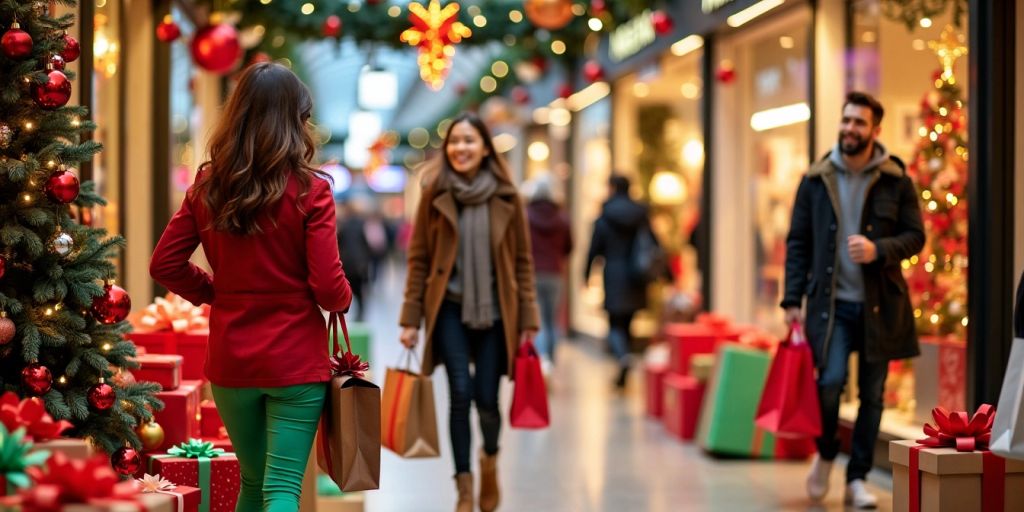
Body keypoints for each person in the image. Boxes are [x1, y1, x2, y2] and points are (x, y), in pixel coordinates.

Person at [150, 62, 352, 512]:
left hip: (232, 357)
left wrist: (215, 292)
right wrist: (343, 296)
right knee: (281, 487)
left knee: (253, 480)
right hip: (296, 359)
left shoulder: (208, 186)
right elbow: (327, 286)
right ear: (295, 121)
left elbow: (164, 263)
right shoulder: (311, 190)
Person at [781, 91, 924, 509]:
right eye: (846, 121)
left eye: (859, 123)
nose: (849, 129)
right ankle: (827, 453)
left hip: (882, 306)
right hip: (831, 308)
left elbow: (916, 236)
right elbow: (797, 243)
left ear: (875, 130)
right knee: (828, 384)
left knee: (874, 395)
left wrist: (879, 249)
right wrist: (792, 299)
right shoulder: (815, 179)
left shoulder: (896, 179)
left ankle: (857, 477)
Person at [398, 112, 539, 512]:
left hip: (497, 313)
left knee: (488, 400)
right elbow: (419, 258)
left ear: (485, 148)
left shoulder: (508, 196)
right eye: (455, 141)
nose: (461, 148)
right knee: (460, 394)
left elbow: (523, 262)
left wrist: (529, 318)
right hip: (449, 309)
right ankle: (463, 486)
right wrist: (410, 318)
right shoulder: (435, 192)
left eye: (469, 141)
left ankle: (489, 462)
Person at [584, 174, 660, 389]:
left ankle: (622, 356)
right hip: (637, 274)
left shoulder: (605, 215)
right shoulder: (641, 214)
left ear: (612, 188)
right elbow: (655, 243)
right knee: (628, 321)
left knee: (615, 322)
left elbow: (594, 249)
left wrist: (586, 275)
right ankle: (622, 369)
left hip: (614, 274)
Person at [525, 175, 573, 373]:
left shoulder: (526, 216)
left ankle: (543, 361)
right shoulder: (562, 218)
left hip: (532, 273)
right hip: (555, 272)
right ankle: (550, 359)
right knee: (552, 319)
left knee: (539, 320)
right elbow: (570, 246)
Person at [337, 199, 373, 321]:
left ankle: (343, 312)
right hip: (359, 264)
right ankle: (360, 314)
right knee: (359, 291)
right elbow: (367, 244)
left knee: (347, 288)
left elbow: (338, 244)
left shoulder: (343, 225)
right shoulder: (362, 225)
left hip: (346, 263)